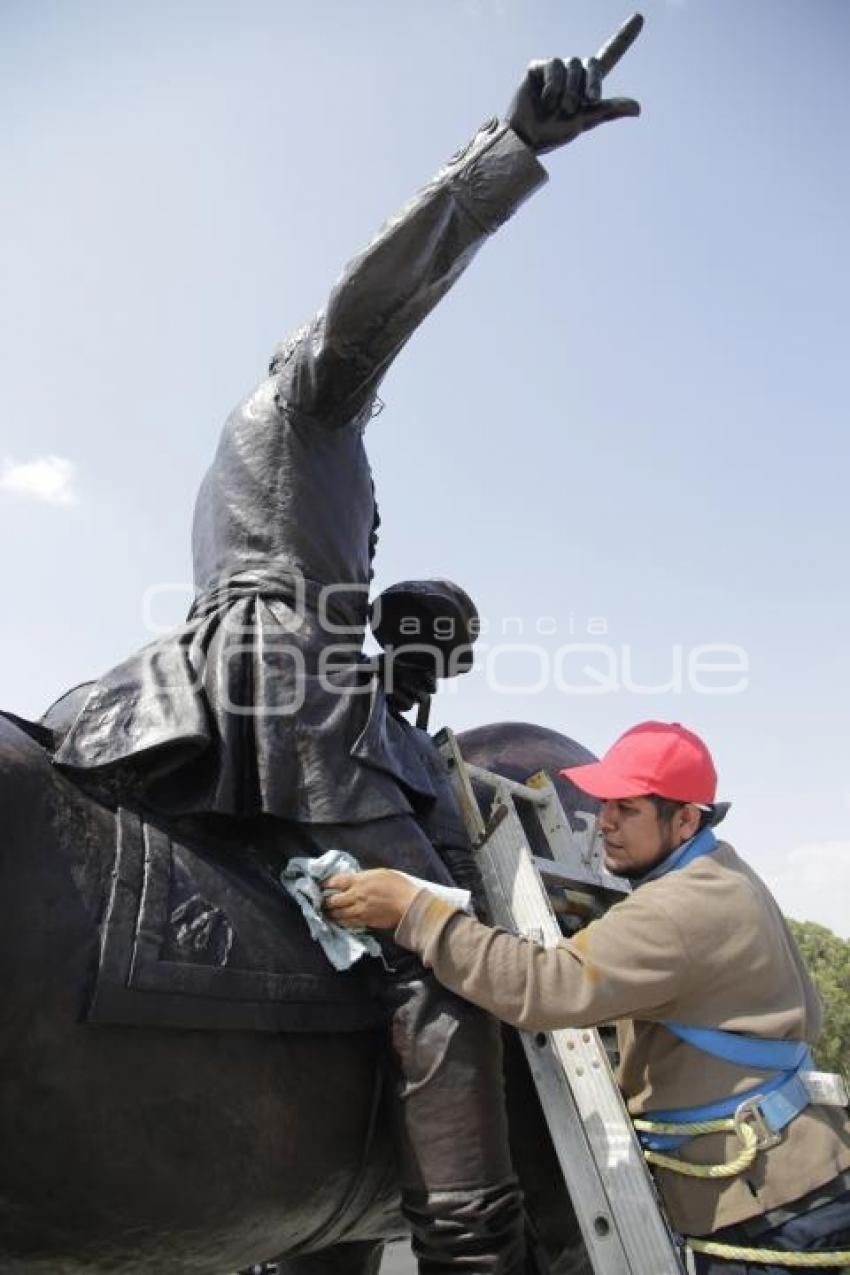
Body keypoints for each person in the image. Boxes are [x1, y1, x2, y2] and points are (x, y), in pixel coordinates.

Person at [48, 18, 644, 1274]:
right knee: (443, 940)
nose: (370, 382)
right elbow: (382, 293)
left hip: (264, 673)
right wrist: (507, 154)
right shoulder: (307, 391)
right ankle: (474, 1248)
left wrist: (397, 653)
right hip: (285, 685)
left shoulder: (266, 460)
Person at [324, 721, 850, 1273]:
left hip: (775, 1211)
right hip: (791, 1187)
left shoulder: (680, 908)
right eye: (605, 804)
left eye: (627, 809)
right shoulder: (721, 872)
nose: (605, 823)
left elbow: (547, 986)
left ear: (686, 819)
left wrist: (414, 912)